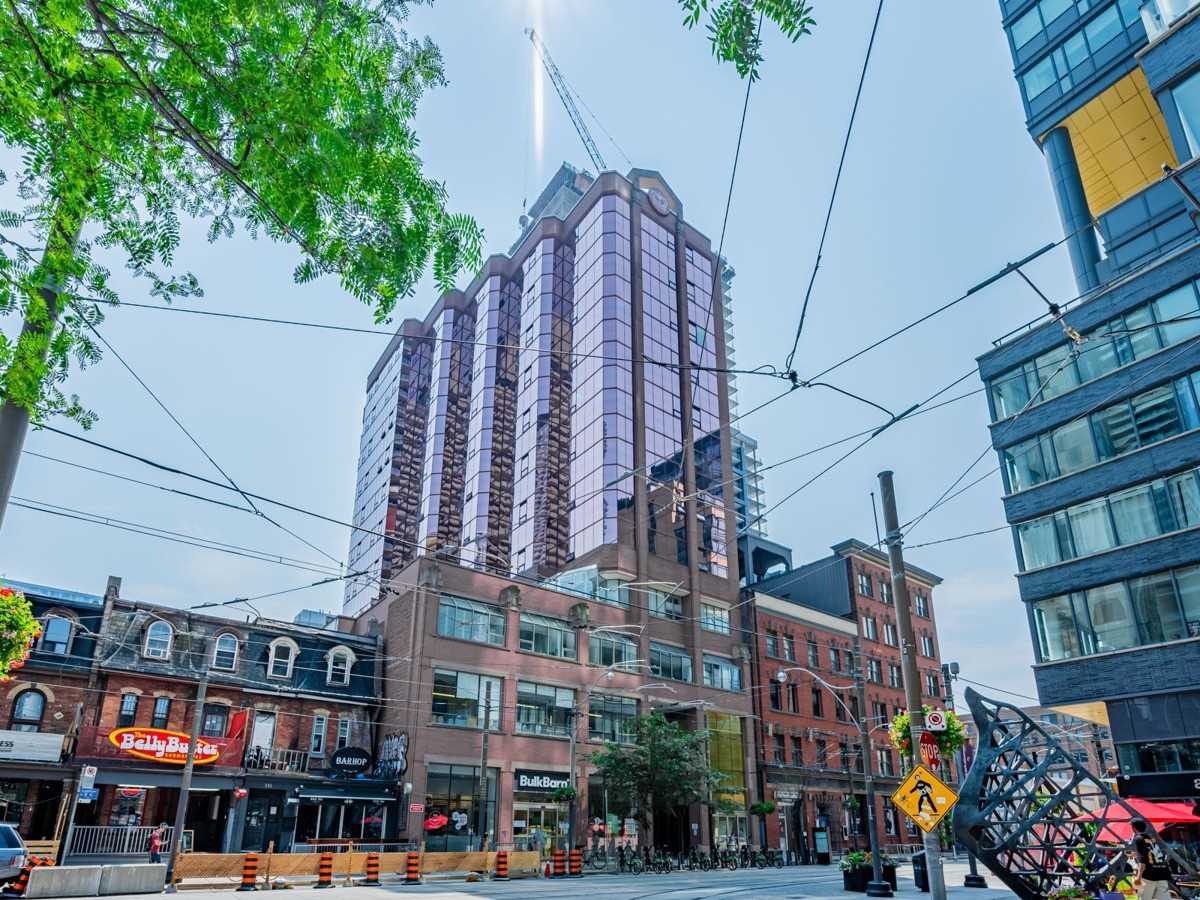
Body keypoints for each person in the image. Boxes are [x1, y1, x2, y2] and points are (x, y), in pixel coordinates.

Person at [1131, 818, 1174, 900]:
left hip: (1149, 875)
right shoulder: (1151, 839)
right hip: (1162, 872)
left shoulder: (1138, 839)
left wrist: (1138, 877)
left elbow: (1143, 859)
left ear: (1133, 828)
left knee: (1144, 898)